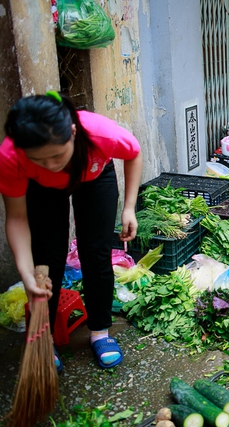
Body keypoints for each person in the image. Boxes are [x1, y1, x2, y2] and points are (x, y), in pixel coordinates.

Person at [0, 91, 143, 371]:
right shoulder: (11, 155)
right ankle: (45, 339)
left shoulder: (100, 134)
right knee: (46, 260)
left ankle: (100, 332)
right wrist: (27, 274)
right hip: (42, 189)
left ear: (73, 132)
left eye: (56, 155)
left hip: (94, 177)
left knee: (96, 253)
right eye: (39, 160)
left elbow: (134, 153)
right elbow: (16, 218)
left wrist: (129, 208)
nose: (52, 165)